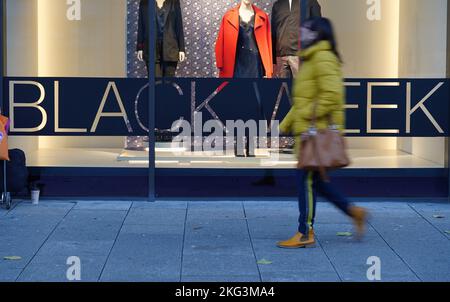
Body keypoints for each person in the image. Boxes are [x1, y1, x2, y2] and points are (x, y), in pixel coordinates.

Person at [277, 17, 368, 249]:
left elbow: (331, 96)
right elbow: (305, 99)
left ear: (318, 34)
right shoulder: (312, 57)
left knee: (305, 180)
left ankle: (305, 232)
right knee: (316, 182)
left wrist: (306, 117)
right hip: (310, 130)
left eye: (308, 30)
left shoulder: (323, 58)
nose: (302, 33)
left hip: (317, 132)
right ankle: (353, 211)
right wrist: (287, 123)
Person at [271, 0, 322, 78]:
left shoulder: (310, 2)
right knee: (282, 89)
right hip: (280, 57)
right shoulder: (277, 5)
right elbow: (273, 32)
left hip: (301, 56)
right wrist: (273, 60)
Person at [136, 0, 186, 77]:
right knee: (155, 82)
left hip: (170, 48)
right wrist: (140, 47)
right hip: (151, 47)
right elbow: (141, 25)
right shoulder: (144, 2)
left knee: (168, 82)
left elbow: (179, 25)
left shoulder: (174, 2)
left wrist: (181, 49)